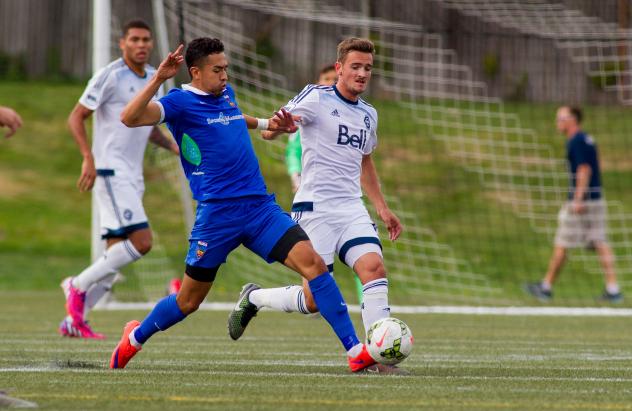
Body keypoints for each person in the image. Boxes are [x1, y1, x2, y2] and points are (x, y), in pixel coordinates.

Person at [109, 37, 377, 373]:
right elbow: (129, 117)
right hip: (217, 215)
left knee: (315, 265)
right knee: (188, 302)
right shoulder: (178, 102)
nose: (225, 76)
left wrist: (268, 123)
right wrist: (158, 79)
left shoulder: (227, 95)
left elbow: (234, 117)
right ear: (195, 72)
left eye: (226, 69)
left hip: (259, 209)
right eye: (217, 70)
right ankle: (134, 338)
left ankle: (354, 351)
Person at [228, 38, 403, 344]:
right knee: (313, 301)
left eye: (368, 68)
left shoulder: (368, 114)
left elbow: (365, 160)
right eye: (355, 66)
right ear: (339, 68)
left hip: (351, 208)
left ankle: (379, 353)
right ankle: (255, 298)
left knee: (374, 268)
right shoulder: (316, 97)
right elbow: (271, 129)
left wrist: (382, 207)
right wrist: (277, 128)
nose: (362, 73)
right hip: (314, 208)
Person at [60, 19, 179, 339]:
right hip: (111, 172)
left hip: (132, 175)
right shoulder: (110, 75)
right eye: (135, 39)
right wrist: (88, 157)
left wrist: (173, 146)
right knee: (141, 243)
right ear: (122, 43)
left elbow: (146, 123)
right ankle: (77, 284)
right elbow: (76, 117)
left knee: (113, 261)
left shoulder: (156, 78)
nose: (141, 45)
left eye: (146, 40)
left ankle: (74, 320)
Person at [525, 106, 622, 303]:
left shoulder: (576, 141)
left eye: (561, 118)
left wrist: (578, 199)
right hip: (596, 199)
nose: (557, 122)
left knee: (562, 242)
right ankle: (613, 289)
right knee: (600, 242)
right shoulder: (588, 139)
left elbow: (584, 169)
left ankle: (546, 287)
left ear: (573, 120)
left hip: (583, 201)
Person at [285, 64, 336, 193]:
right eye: (327, 79)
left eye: (335, 80)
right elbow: (294, 150)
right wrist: (296, 175)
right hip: (304, 173)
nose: (331, 83)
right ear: (318, 82)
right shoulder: (307, 105)